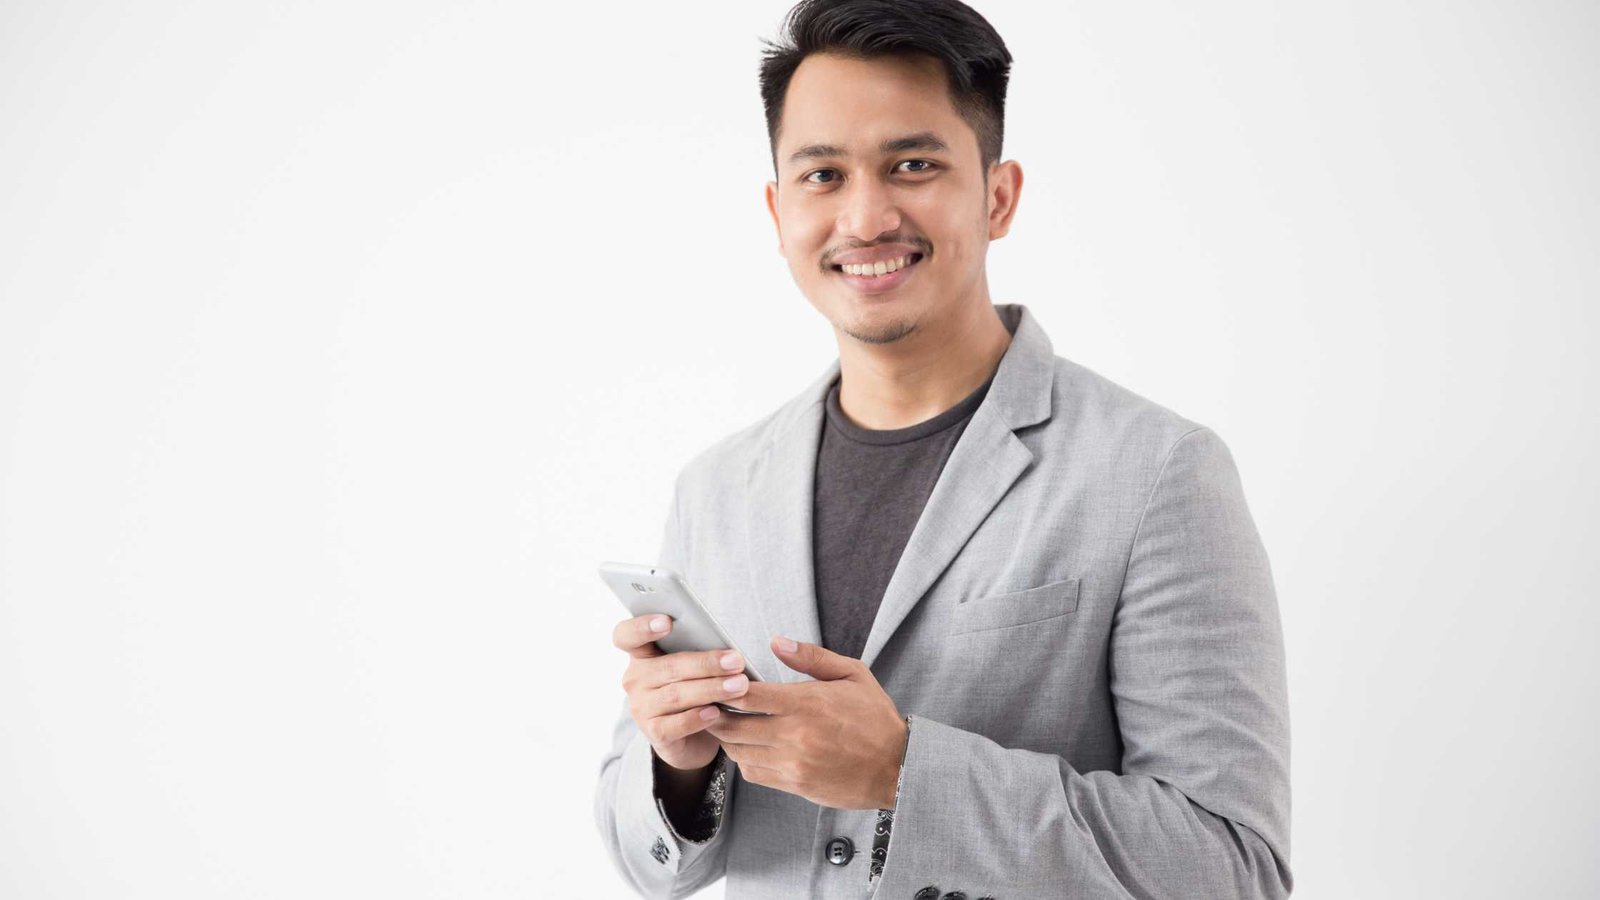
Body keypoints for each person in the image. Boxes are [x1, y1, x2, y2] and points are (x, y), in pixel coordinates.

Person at [593, 1, 1293, 897]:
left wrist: (904, 775)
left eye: (913, 165)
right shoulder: (718, 487)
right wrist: (678, 765)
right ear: (778, 210)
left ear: (998, 196)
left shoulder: (1159, 472)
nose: (865, 217)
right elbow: (643, 859)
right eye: (823, 175)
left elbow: (1233, 867)